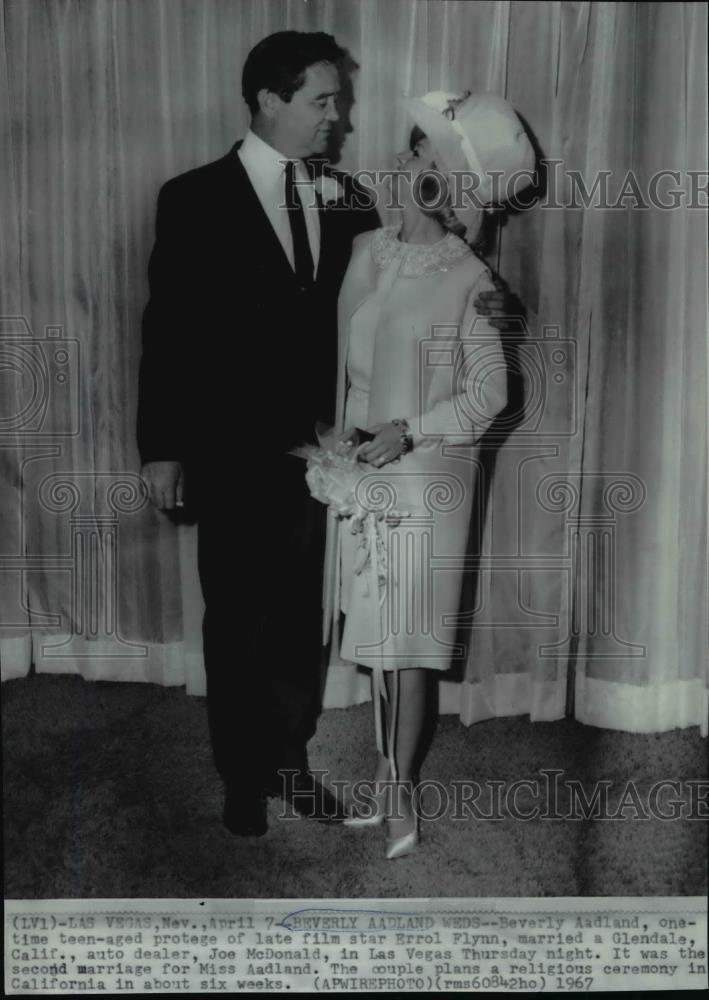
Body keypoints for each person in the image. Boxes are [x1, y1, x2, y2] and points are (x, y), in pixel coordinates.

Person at [137, 31, 520, 838]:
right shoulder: (193, 197)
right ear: (268, 100)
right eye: (321, 101)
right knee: (237, 616)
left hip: (329, 461)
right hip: (233, 451)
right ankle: (242, 778)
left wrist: (489, 309)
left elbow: (400, 304)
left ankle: (289, 764)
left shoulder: (349, 201)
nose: (337, 118)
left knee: (298, 626)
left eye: (338, 102)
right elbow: (168, 332)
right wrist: (163, 446)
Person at [322, 91, 535, 858]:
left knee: (408, 639)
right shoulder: (362, 250)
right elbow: (335, 357)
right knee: (372, 631)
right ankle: (385, 775)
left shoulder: (470, 277)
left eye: (423, 157)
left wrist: (406, 430)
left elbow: (490, 394)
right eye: (410, 149)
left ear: (449, 184)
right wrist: (334, 440)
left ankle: (400, 783)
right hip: (355, 464)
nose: (405, 162)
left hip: (425, 472)